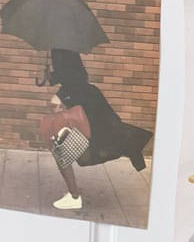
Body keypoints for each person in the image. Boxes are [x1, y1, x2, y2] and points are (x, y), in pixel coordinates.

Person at [48, 49, 153, 210]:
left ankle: (74, 197)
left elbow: (56, 111)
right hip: (107, 141)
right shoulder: (91, 89)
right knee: (64, 145)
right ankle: (74, 196)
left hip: (95, 146)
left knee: (59, 150)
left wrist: (54, 90)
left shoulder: (65, 93)